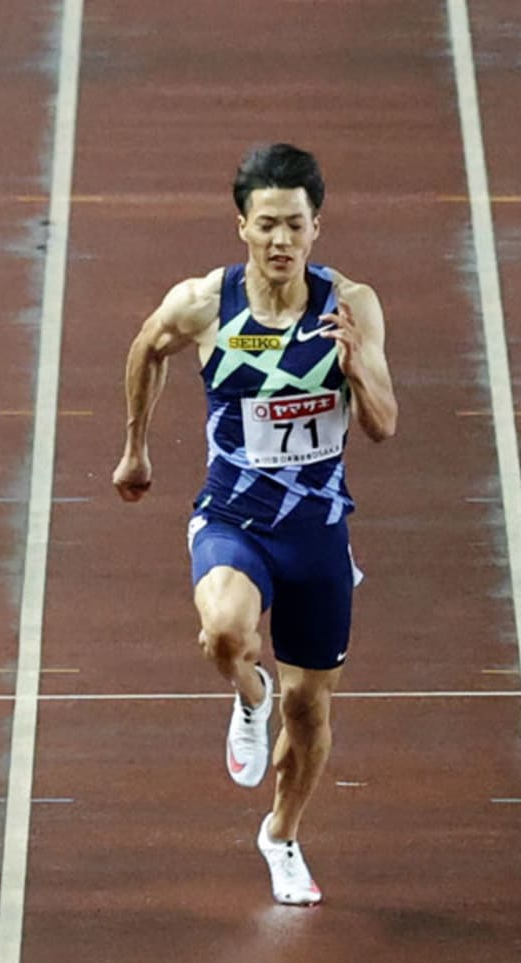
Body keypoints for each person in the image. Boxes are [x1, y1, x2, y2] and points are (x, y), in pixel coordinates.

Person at [113, 142, 396, 907]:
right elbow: (147, 348)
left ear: (316, 230)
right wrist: (136, 448)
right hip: (234, 514)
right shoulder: (207, 302)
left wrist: (358, 367)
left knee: (310, 710)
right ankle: (247, 694)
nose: (281, 241)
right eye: (266, 224)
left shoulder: (352, 305)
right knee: (227, 631)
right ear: (242, 225)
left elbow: (383, 425)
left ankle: (282, 835)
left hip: (319, 531)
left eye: (295, 226)